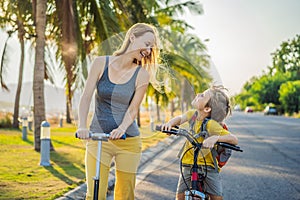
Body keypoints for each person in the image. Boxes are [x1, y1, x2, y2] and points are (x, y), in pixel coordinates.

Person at [76, 23, 161, 200]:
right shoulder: (101, 63)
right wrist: (82, 126)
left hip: (128, 141)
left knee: (125, 195)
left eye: (151, 47)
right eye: (146, 44)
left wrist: (122, 128)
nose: (148, 50)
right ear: (132, 37)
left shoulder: (142, 75)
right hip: (98, 139)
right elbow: (85, 97)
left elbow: (133, 108)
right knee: (94, 194)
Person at [161, 85, 238, 200]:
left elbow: (233, 139)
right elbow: (180, 118)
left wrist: (215, 138)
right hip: (188, 163)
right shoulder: (193, 115)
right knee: (179, 197)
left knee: (217, 197)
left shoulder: (211, 125)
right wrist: (170, 124)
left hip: (208, 167)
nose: (198, 95)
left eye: (202, 96)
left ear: (207, 109)